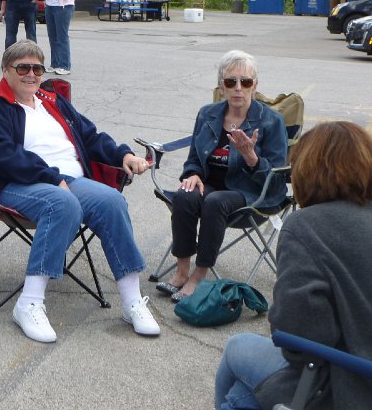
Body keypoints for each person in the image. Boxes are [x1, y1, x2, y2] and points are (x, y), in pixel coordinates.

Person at [0, 40, 160, 342]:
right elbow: (0, 155)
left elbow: (90, 136)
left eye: (37, 68)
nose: (31, 74)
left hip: (67, 180)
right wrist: (51, 178)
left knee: (112, 201)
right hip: (12, 184)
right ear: (6, 70)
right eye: (23, 67)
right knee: (62, 203)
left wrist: (124, 156)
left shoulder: (52, 100)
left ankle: (132, 301)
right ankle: (29, 303)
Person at [214, 121, 372, 410]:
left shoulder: (306, 226)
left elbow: (299, 336)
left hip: (349, 383)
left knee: (237, 350)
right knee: (243, 393)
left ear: (308, 171)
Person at [155, 50, 288, 303]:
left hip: (251, 192)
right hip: (212, 184)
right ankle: (182, 271)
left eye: (245, 82)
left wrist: (251, 156)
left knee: (214, 203)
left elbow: (277, 178)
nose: (238, 88)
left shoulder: (271, 121)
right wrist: (192, 174)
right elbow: (194, 156)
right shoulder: (208, 113)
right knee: (184, 196)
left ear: (255, 86)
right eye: (231, 82)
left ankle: (200, 275)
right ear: (221, 86)